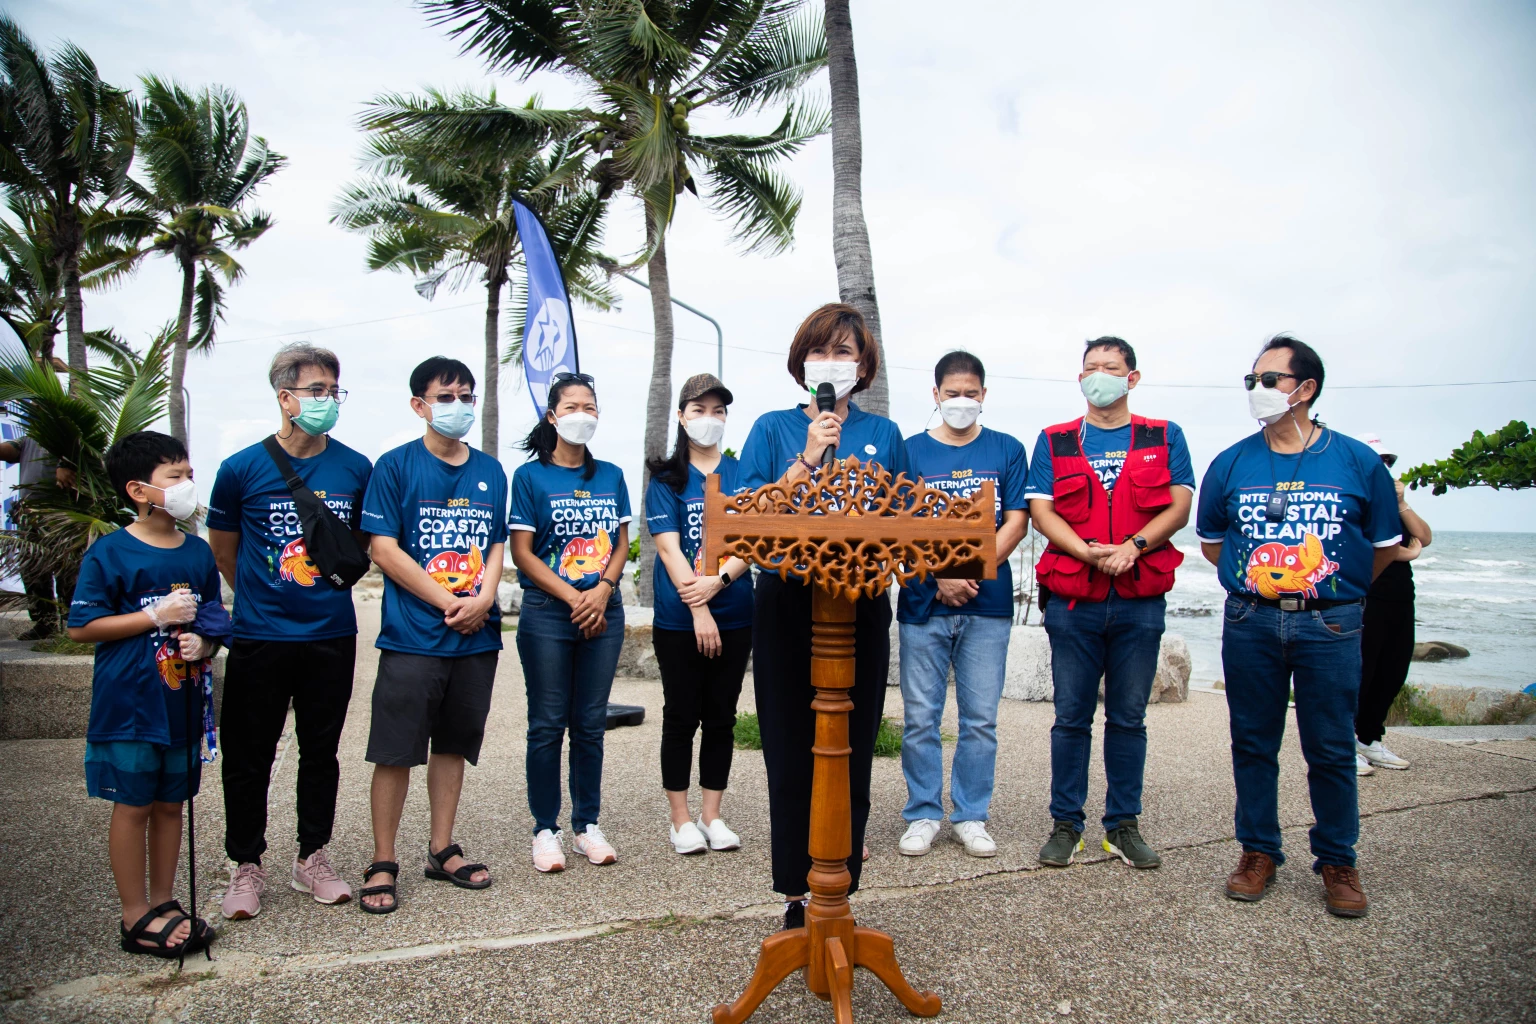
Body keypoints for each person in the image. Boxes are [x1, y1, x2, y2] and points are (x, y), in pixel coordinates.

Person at [1197, 335, 1401, 918]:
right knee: (1254, 743)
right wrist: (1266, 582)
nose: (1257, 391)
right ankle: (1258, 852)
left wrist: (1332, 588)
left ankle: (1338, 860)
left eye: (1269, 380)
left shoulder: (1356, 460)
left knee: (1331, 748)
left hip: (1330, 627)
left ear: (1305, 389)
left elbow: (1382, 548)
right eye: (1251, 381)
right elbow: (1214, 544)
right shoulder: (1232, 461)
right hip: (1251, 622)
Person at [738, 302, 909, 930]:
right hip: (787, 601)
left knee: (851, 745)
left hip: (860, 603)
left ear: (863, 367)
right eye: (821, 350)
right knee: (790, 746)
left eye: (844, 352)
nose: (832, 362)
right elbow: (749, 514)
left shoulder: (884, 434)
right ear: (801, 362)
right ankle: (794, 892)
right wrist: (809, 455)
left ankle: (839, 889)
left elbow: (905, 520)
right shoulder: (771, 427)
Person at [207, 343, 373, 919]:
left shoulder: (355, 468)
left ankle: (313, 857)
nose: (328, 400)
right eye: (317, 390)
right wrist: (264, 596)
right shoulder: (240, 470)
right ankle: (245, 863)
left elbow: (357, 549)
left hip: (330, 634)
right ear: (285, 397)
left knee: (320, 751)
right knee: (248, 754)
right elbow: (224, 552)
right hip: (259, 636)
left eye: (334, 390)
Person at [1027, 337, 1194, 871]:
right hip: (1074, 600)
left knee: (1129, 717)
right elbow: (1041, 510)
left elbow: (1180, 505)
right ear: (1080, 379)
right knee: (1070, 717)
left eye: (1111, 367)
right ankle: (1065, 825)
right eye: (1091, 368)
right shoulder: (1054, 440)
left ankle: (1122, 826)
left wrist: (1132, 548)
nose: (1100, 376)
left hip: (1139, 600)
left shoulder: (1164, 436)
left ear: (1132, 377)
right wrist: (1088, 553)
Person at [67, 430, 230, 958]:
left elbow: (213, 615)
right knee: (133, 807)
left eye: (189, 474)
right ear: (139, 490)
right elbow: (82, 627)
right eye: (175, 477)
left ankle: (165, 901)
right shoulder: (111, 552)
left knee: (170, 806)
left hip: (180, 703)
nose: (187, 486)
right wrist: (153, 617)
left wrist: (205, 640)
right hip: (131, 706)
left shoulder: (198, 552)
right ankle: (134, 913)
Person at [355, 357, 507, 913]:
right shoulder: (394, 467)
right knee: (395, 751)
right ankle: (383, 859)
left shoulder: (492, 469)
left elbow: (493, 544)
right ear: (419, 405)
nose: (459, 406)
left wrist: (485, 599)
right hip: (413, 637)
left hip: (476, 638)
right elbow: (383, 549)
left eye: (467, 396)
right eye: (447, 396)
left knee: (452, 746)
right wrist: (449, 602)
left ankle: (441, 849)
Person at [895, 351, 1029, 859]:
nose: (961, 401)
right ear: (935, 395)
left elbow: (1016, 520)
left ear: (984, 396)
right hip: (922, 605)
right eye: (952, 393)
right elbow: (898, 525)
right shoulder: (909, 452)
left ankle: (971, 815)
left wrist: (967, 572)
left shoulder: (1007, 449)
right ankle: (923, 813)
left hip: (987, 605)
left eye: (971, 392)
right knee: (921, 717)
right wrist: (939, 575)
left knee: (979, 720)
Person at [509, 372, 631, 872]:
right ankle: (545, 828)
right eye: (573, 406)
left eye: (592, 407)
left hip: (605, 611)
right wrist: (575, 597)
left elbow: (621, 543)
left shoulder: (612, 475)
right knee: (546, 725)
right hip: (547, 616)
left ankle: (587, 825)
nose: (584, 414)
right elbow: (522, 553)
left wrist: (601, 591)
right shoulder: (530, 477)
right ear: (552, 416)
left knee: (589, 725)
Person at [644, 373, 754, 856]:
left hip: (736, 614)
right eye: (698, 410)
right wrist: (700, 610)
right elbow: (670, 551)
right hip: (679, 618)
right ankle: (681, 819)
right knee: (681, 716)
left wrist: (721, 584)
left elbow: (751, 541)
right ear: (682, 417)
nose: (708, 419)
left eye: (718, 411)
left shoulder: (741, 475)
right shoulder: (667, 479)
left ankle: (712, 815)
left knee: (722, 718)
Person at [1353, 433, 1432, 774]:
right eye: (1379, 461)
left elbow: (1423, 537)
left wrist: (1402, 503)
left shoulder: (1392, 503)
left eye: (1389, 461)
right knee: (1362, 672)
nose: (1385, 467)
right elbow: (1363, 543)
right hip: (1367, 595)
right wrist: (1407, 551)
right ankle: (1345, 743)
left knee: (1393, 670)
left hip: (1401, 597)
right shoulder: (1357, 497)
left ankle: (1370, 738)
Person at [0, 432, 78, 639]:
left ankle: (73, 623)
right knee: (32, 568)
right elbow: (10, 450)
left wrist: (66, 463)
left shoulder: (68, 429)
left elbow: (83, 450)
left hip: (62, 514)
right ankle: (45, 623)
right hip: (29, 515)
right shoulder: (31, 436)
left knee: (67, 569)